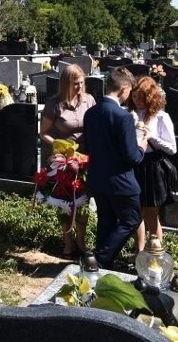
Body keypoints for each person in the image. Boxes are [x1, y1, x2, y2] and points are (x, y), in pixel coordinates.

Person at [83, 67, 146, 270]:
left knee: (106, 221)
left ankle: (99, 265)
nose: (129, 96)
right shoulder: (123, 116)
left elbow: (88, 146)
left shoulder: (91, 113)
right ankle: (101, 259)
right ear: (124, 88)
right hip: (121, 181)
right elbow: (131, 156)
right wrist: (142, 147)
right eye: (129, 92)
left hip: (98, 178)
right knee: (131, 219)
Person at [39, 63, 96, 256]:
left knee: (84, 202)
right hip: (64, 161)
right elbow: (43, 132)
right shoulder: (55, 104)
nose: (79, 87)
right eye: (75, 84)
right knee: (66, 203)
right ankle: (67, 242)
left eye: (81, 83)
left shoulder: (89, 100)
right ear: (66, 84)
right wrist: (58, 146)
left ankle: (81, 240)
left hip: (85, 158)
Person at [129, 76, 177, 253]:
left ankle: (156, 253)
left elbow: (172, 148)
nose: (137, 101)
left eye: (141, 97)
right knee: (136, 212)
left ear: (150, 97)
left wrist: (152, 137)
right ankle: (139, 252)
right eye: (134, 97)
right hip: (135, 163)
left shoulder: (161, 117)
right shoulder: (130, 114)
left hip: (152, 166)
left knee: (151, 213)